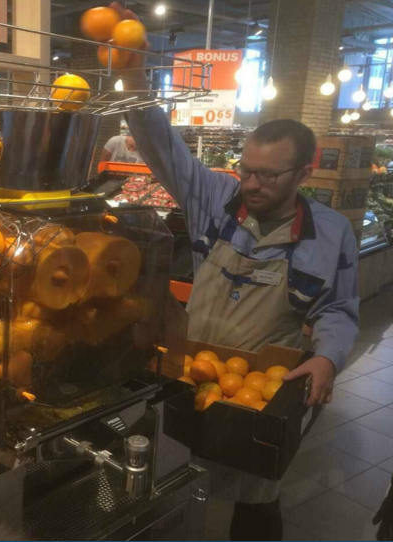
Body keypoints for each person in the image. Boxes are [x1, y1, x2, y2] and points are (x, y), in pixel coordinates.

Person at [108, 3, 360, 540]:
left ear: (304, 173)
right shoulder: (215, 198)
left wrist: (327, 358)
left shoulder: (330, 232)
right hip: (191, 374)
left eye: (269, 176)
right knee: (176, 484)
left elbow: (338, 308)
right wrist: (135, 71)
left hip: (258, 394)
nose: (251, 184)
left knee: (255, 498)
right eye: (247, 170)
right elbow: (161, 145)